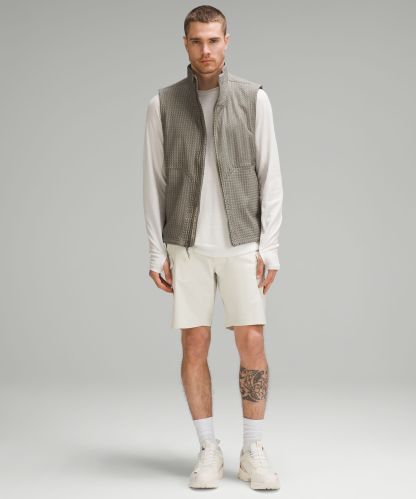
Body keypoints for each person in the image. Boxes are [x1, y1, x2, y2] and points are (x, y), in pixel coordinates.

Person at [142, 5, 283, 491]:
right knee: (194, 344)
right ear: (185, 43)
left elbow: (270, 174)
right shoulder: (163, 104)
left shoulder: (253, 98)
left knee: (252, 342)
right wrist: (156, 252)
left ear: (227, 41)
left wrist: (270, 246)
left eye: (214, 40)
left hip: (243, 242)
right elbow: (153, 183)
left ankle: (252, 450)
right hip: (186, 246)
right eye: (197, 41)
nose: (206, 50)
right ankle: (208, 448)